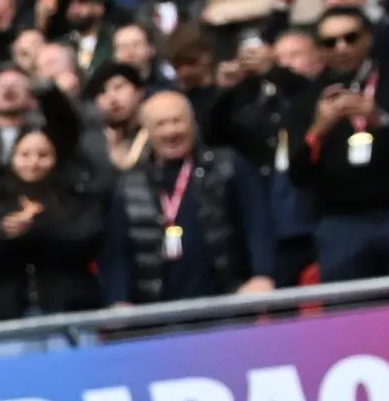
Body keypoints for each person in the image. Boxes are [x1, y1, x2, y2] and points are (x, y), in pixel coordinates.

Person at [303, 7, 389, 280]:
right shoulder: (308, 95)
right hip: (341, 223)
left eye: (350, 37)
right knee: (348, 317)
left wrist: (383, 121)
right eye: (330, 42)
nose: (341, 47)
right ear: (319, 48)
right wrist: (318, 130)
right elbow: (297, 172)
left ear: (368, 37)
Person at [106, 90, 272, 302]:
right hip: (157, 312)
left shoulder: (227, 166)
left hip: (226, 301)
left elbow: (257, 222)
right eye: (161, 124)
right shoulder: (129, 184)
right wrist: (118, 300)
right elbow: (117, 251)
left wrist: (262, 274)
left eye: (177, 121)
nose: (171, 131)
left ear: (193, 123)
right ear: (146, 131)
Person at [0, 125, 107, 319]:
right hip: (6, 313)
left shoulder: (74, 193)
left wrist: (37, 229)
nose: (33, 163)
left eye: (43, 155)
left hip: (68, 308)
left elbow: (89, 238)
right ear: (12, 158)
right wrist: (2, 234)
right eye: (24, 155)